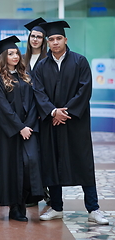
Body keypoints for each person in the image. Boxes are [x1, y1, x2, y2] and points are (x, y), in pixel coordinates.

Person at [33, 21, 109, 225]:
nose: (55, 42)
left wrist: (65, 112)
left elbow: (85, 90)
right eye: (51, 39)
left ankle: (93, 208)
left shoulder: (80, 61)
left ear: (65, 40)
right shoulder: (41, 66)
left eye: (59, 38)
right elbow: (38, 92)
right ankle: (56, 207)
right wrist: (52, 111)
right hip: (52, 123)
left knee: (83, 164)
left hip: (76, 123)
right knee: (53, 162)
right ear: (47, 43)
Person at [0, 36, 43, 222]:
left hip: (28, 130)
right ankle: (15, 208)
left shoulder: (25, 76)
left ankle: (25, 202)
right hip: (8, 133)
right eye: (10, 53)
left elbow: (34, 102)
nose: (14, 56)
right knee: (11, 170)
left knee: (29, 166)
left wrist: (28, 125)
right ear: (3, 57)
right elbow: (0, 106)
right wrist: (19, 127)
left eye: (16, 53)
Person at [23, 17, 50, 207]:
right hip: (26, 114)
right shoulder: (22, 60)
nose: (35, 39)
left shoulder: (47, 60)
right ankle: (31, 192)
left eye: (39, 37)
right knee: (29, 156)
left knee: (44, 154)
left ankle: (46, 190)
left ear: (44, 40)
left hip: (43, 114)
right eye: (33, 36)